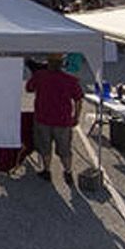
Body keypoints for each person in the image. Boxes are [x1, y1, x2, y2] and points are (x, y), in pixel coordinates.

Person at [26, 54, 83, 183]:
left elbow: (29, 88)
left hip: (43, 119)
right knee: (65, 149)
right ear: (62, 63)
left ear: (48, 63)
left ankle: (47, 171)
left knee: (45, 148)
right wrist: (76, 116)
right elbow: (79, 99)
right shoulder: (70, 79)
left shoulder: (40, 76)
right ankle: (68, 172)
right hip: (63, 121)